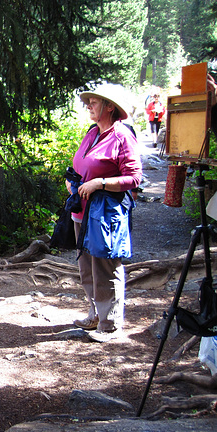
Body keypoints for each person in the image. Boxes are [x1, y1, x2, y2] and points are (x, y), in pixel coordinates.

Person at [69, 84, 142, 343]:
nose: (88, 105)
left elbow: (134, 178)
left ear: (110, 107)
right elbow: (81, 165)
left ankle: (110, 324)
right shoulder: (92, 133)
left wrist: (99, 183)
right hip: (84, 211)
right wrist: (74, 182)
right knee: (87, 266)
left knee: (106, 266)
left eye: (94, 102)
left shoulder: (122, 136)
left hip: (106, 213)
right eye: (87, 102)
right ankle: (95, 314)